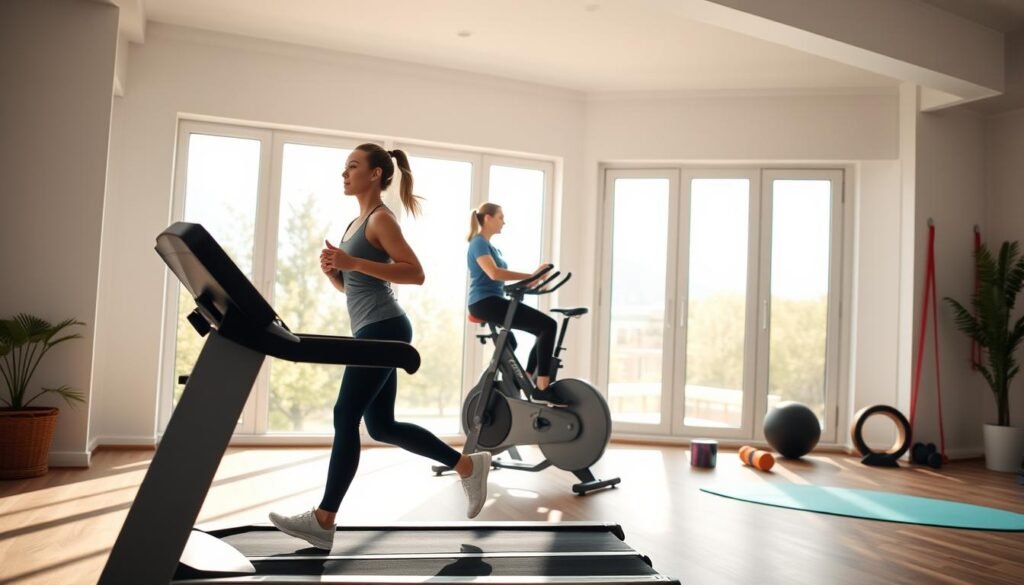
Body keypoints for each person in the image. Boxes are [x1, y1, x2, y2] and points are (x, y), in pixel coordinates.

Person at [270, 144, 491, 551]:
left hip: (384, 328)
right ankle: (467, 466)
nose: (344, 173)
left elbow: (415, 273)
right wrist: (335, 274)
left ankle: (323, 519)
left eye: (353, 166)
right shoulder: (355, 223)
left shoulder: (380, 219)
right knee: (382, 426)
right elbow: (357, 287)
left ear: (375, 174)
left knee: (345, 415)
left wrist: (352, 263)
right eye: (344, 167)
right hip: (373, 329)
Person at [466, 202, 563, 404]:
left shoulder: (492, 248)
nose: (504, 222)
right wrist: (531, 275)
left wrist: (534, 280)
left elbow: (499, 281)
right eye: (500, 217)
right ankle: (542, 388)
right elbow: (494, 273)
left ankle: (525, 378)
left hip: (493, 299)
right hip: (484, 302)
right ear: (488, 218)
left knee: (538, 332)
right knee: (548, 325)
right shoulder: (478, 243)